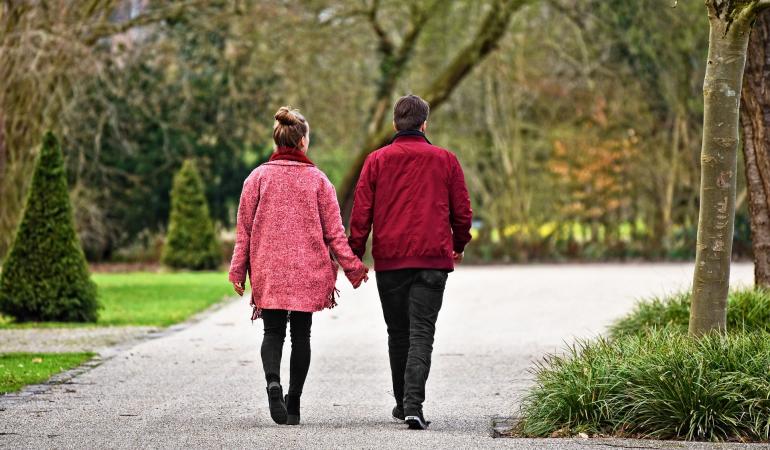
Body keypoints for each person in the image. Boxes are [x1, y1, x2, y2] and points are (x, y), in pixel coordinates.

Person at [229, 106, 369, 426]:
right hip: (308, 271)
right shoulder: (319, 181)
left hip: (269, 268)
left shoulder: (257, 178)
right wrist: (353, 268)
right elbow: (334, 234)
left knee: (273, 331)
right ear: (303, 142)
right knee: (301, 336)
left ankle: (272, 383)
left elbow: (244, 232)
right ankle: (293, 404)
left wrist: (238, 271)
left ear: (277, 140)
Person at [348, 94, 473, 430]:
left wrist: (354, 256)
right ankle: (413, 404)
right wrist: (458, 244)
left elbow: (361, 214)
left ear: (394, 124)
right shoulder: (445, 160)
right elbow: (462, 212)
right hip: (433, 259)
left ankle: (404, 404)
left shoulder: (376, 161)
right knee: (422, 333)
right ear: (424, 124)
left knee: (398, 333)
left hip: (391, 261)